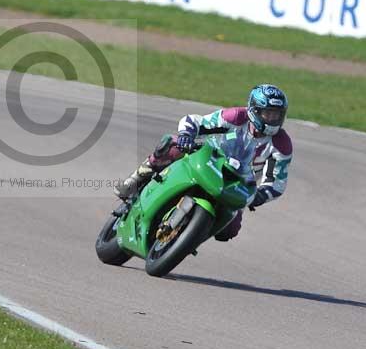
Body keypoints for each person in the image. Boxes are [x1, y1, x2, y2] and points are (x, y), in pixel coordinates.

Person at [114, 84, 293, 242]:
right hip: (210, 158)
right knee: (172, 145)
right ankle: (136, 179)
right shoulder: (236, 117)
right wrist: (186, 136)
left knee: (229, 230)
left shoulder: (281, 144)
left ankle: (188, 237)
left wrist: (260, 195)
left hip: (238, 182)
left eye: (277, 115)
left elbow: (277, 182)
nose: (272, 119)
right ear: (254, 110)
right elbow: (194, 121)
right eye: (268, 113)